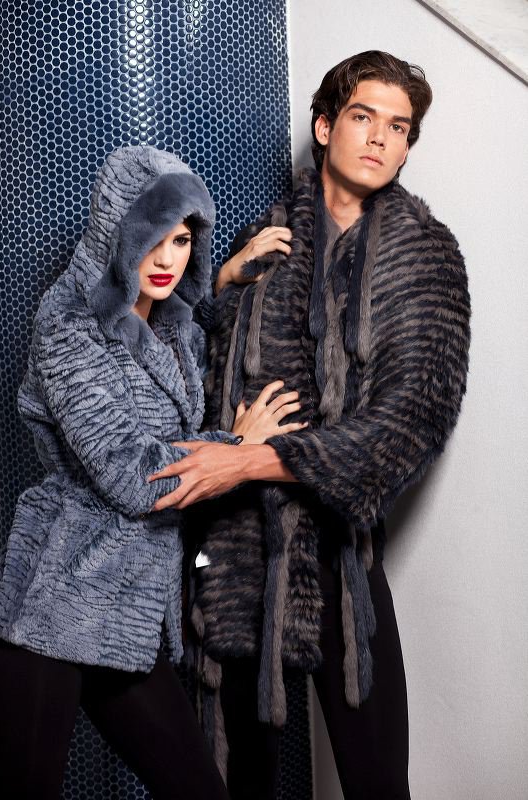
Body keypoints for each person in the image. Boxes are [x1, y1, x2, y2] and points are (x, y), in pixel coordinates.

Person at [149, 51, 471, 799]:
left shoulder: (425, 257)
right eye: (363, 117)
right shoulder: (265, 242)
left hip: (337, 557)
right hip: (233, 551)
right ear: (325, 127)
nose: (380, 138)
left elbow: (409, 424)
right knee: (238, 779)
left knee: (376, 778)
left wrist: (248, 460)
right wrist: (221, 285)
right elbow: (183, 393)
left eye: (399, 127)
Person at [0, 145, 304, 800]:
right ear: (115, 232)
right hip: (58, 601)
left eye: (182, 240)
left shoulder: (168, 321)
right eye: (151, 240)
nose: (166, 259)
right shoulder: (67, 323)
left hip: (125, 611)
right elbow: (133, 476)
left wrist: (225, 281)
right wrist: (236, 448)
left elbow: (175, 362)